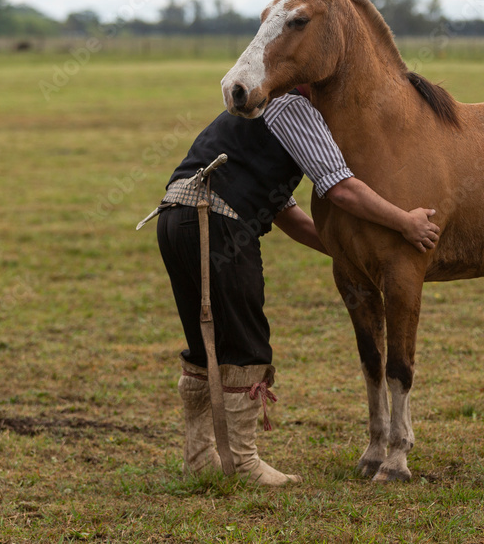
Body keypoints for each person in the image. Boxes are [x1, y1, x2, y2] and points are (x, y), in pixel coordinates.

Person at [146, 86, 439, 487]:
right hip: (217, 221)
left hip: (176, 218)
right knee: (247, 347)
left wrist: (352, 251)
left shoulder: (263, 113)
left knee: (204, 347)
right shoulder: (295, 107)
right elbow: (340, 186)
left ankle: (199, 458)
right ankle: (245, 464)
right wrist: (405, 223)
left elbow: (286, 213)